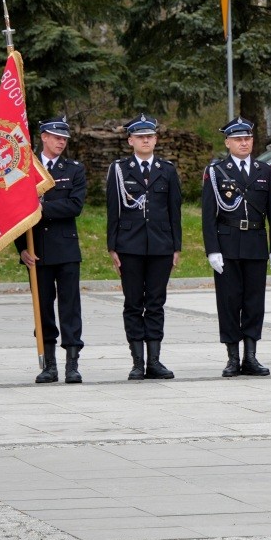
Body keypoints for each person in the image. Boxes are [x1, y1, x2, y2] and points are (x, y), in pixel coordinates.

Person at [202, 117, 271, 377]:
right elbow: (208, 215)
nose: (244, 143)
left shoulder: (265, 170)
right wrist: (212, 250)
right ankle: (232, 357)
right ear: (227, 142)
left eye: (247, 138)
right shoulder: (216, 172)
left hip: (255, 243)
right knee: (228, 302)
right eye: (238, 139)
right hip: (227, 243)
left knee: (253, 302)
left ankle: (250, 355)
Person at [106, 114, 182, 380]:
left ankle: (155, 361)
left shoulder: (167, 169)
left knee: (156, 303)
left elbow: (175, 211)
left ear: (156, 139)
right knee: (133, 303)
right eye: (140, 137)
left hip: (161, 245)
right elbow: (113, 209)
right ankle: (137, 361)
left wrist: (176, 247)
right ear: (130, 141)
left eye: (149, 136)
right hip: (130, 245)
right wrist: (112, 247)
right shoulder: (119, 170)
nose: (146, 140)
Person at [15, 116, 87, 384]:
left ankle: (72, 363)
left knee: (70, 308)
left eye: (64, 138)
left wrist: (41, 208)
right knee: (42, 308)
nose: (61, 142)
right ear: (43, 137)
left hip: (66, 248)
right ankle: (49, 365)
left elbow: (74, 206)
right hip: (38, 249)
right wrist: (22, 248)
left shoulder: (74, 169)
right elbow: (15, 212)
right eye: (56, 137)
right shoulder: (25, 169)